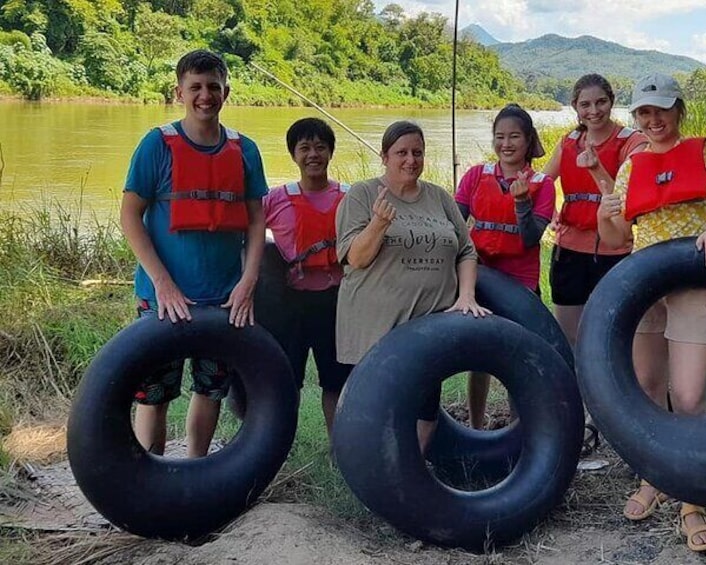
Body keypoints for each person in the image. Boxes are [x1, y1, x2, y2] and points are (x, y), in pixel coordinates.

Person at [596, 73, 706, 553]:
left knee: (688, 397)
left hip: (694, 284)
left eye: (662, 110)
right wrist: (608, 216)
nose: (653, 120)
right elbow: (618, 241)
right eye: (644, 113)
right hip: (644, 288)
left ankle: (692, 501)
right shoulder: (632, 167)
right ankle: (656, 477)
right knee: (648, 389)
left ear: (679, 110)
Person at [120, 49, 268, 458]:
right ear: (179, 92)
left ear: (227, 92)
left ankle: (196, 474)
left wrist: (248, 282)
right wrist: (162, 283)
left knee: (211, 389)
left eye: (213, 87)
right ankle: (149, 475)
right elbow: (130, 215)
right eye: (196, 88)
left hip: (222, 298)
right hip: (163, 299)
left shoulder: (245, 150)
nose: (206, 96)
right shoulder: (157, 144)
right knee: (154, 394)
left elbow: (257, 220)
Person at [335, 120, 490, 452]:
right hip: (374, 326)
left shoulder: (438, 197)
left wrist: (466, 295)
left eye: (417, 152)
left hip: (426, 328)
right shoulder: (361, 195)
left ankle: (407, 474)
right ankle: (366, 470)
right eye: (401, 153)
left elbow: (465, 250)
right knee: (375, 405)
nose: (410, 160)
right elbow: (356, 259)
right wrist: (378, 224)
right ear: (384, 156)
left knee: (424, 409)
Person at [542, 74, 648, 454]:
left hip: (615, 253)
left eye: (600, 102)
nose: (593, 111)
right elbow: (543, 181)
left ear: (611, 101)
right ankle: (579, 413)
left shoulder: (630, 142)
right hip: (570, 250)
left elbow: (627, 193)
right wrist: (546, 210)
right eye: (585, 105)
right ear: (575, 108)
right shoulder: (568, 142)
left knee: (615, 337)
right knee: (570, 336)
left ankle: (615, 414)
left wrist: (595, 169)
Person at [455, 103, 555, 429]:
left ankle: (518, 427)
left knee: (519, 356)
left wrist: (522, 201)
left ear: (528, 140)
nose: (506, 144)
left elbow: (529, 238)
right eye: (500, 136)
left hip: (520, 283)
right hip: (480, 276)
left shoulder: (543, 184)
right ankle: (475, 423)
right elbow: (454, 225)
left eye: (514, 136)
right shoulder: (474, 175)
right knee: (478, 357)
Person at [263, 117, 351, 436]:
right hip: (290, 304)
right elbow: (246, 233)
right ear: (293, 154)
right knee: (287, 380)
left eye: (320, 147)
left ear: (330, 153)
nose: (313, 154)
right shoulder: (274, 199)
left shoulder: (350, 197)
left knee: (336, 380)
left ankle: (339, 446)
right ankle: (278, 444)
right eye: (305, 148)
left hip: (336, 302)